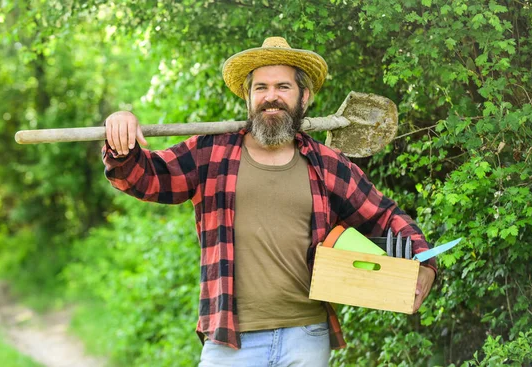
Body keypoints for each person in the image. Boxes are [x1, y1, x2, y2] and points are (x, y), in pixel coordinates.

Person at [103, 37, 437, 366]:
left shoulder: (325, 164)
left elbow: (382, 215)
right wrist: (122, 141)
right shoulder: (211, 152)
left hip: (306, 337)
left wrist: (424, 261)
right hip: (230, 340)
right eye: (260, 88)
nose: (271, 97)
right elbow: (146, 178)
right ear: (248, 97)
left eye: (283, 87)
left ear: (303, 96)